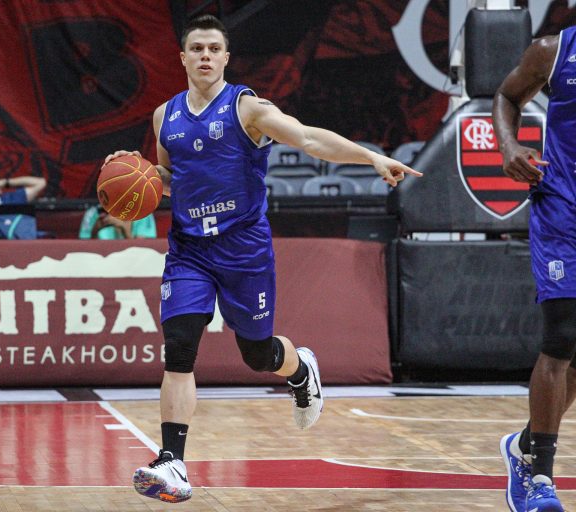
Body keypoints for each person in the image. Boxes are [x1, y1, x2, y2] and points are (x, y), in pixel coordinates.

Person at [104, 14, 421, 504]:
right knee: (180, 346)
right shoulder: (165, 116)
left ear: (226, 58)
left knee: (256, 355)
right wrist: (135, 173)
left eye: (214, 48)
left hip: (243, 248)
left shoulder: (247, 108)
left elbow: (309, 138)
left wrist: (371, 158)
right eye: (197, 48)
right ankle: (172, 462)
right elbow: (170, 179)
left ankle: (299, 370)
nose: (205, 56)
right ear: (183, 58)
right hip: (190, 249)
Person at [493, 25, 576, 512]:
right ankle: (541, 476)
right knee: (562, 334)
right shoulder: (554, 50)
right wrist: (509, 146)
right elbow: (507, 96)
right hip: (563, 209)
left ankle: (523, 444)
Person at [78, 204, 157, 240]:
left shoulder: (143, 213)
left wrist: (125, 231)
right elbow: (86, 253)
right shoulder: (92, 213)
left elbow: (142, 254)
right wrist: (95, 231)